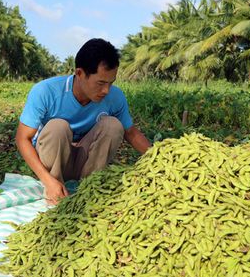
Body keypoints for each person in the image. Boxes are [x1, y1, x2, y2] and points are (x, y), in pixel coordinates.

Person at [15, 38, 151, 205]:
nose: (106, 90)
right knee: (58, 126)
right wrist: (47, 180)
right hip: (55, 160)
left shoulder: (115, 97)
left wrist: (159, 157)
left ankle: (89, 187)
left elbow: (131, 133)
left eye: (111, 83)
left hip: (86, 161)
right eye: (100, 83)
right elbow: (22, 139)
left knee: (113, 125)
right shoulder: (45, 92)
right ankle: (56, 191)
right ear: (79, 73)